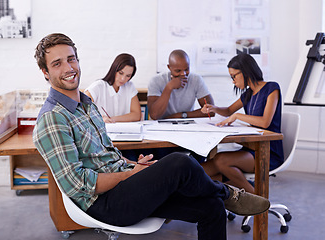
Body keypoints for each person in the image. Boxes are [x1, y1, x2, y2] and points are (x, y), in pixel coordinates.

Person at [33, 33, 270, 240]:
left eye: (71, 58)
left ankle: (222, 197)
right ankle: (229, 193)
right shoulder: (53, 118)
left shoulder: (87, 106)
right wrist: (129, 174)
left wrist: (135, 166)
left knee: (212, 207)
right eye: (57, 63)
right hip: (103, 204)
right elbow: (79, 184)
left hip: (122, 185)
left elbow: (108, 155)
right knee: (180, 161)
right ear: (45, 72)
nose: (68, 68)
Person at [201, 53, 284, 194]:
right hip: (249, 148)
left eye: (234, 76)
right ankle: (244, 193)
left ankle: (257, 198)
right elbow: (228, 111)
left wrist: (237, 116)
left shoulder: (272, 88)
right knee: (203, 171)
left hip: (267, 152)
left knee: (221, 160)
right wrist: (213, 108)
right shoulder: (247, 94)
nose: (233, 81)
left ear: (245, 72)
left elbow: (265, 122)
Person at [147, 49, 214, 120]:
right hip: (161, 126)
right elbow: (154, 115)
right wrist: (169, 87)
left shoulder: (196, 79)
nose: (183, 74)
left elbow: (211, 111)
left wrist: (180, 115)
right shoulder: (156, 80)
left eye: (186, 69)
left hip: (185, 123)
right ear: (169, 67)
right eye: (178, 71)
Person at [84, 53, 141, 123]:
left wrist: (112, 119)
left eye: (128, 76)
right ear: (114, 69)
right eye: (121, 73)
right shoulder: (98, 86)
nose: (123, 79)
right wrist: (101, 118)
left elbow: (137, 115)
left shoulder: (129, 86)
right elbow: (83, 109)